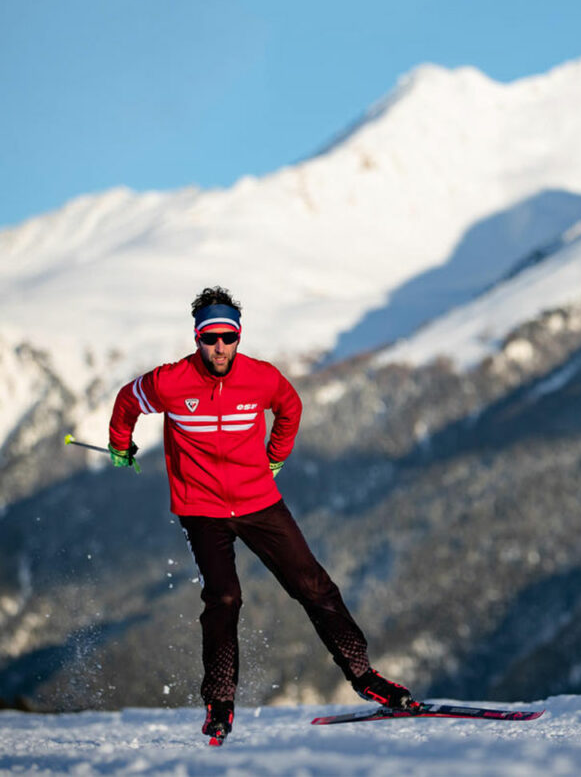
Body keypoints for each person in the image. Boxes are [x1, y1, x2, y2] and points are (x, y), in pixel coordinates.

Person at [107, 286, 412, 745]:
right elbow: (128, 400)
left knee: (314, 585)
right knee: (224, 597)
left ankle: (364, 675)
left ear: (238, 336)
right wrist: (119, 444)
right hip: (202, 509)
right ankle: (220, 702)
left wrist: (275, 457)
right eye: (211, 339)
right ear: (197, 339)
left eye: (227, 338)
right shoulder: (170, 382)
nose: (219, 348)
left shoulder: (261, 378)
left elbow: (290, 408)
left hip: (259, 502)